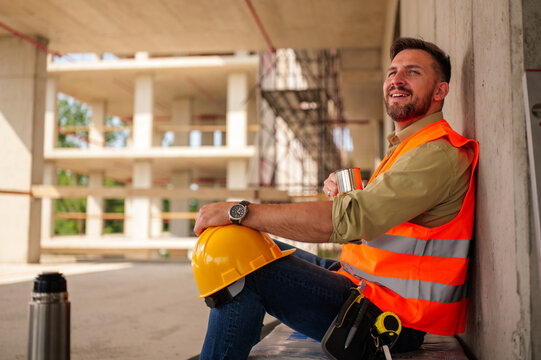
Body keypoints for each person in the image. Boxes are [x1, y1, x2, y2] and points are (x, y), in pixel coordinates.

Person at [194, 37, 479, 359]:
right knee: (241, 239)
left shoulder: (436, 153)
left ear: (440, 91)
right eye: (392, 72)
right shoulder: (409, 147)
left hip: (388, 321)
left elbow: (353, 220)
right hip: (361, 285)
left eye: (412, 72)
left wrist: (238, 210)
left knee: (238, 262)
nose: (396, 80)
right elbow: (391, 216)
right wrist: (356, 192)